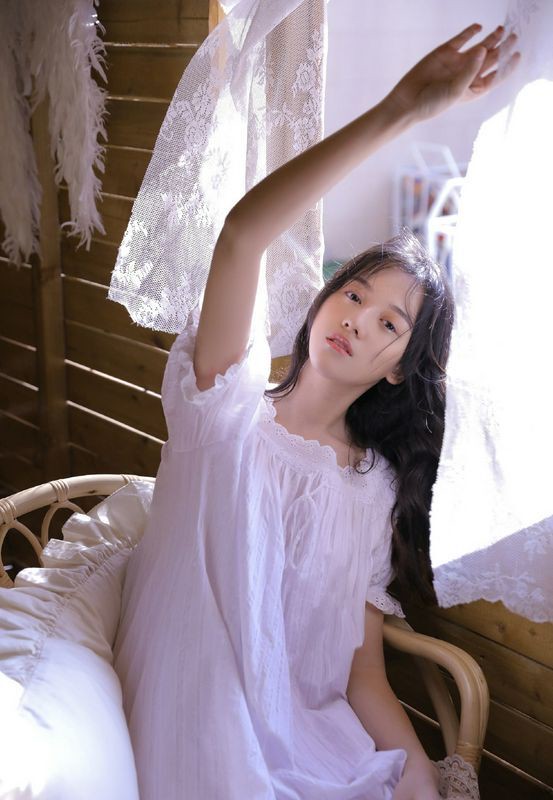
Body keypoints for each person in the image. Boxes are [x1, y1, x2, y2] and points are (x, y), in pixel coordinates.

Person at [113, 23, 518, 800]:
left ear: (399, 367)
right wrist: (399, 110)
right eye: (353, 293)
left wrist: (422, 781)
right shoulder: (222, 415)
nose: (356, 319)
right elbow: (241, 236)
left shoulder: (370, 488)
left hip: (311, 742)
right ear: (323, 298)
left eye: (388, 322)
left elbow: (362, 678)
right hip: (196, 734)